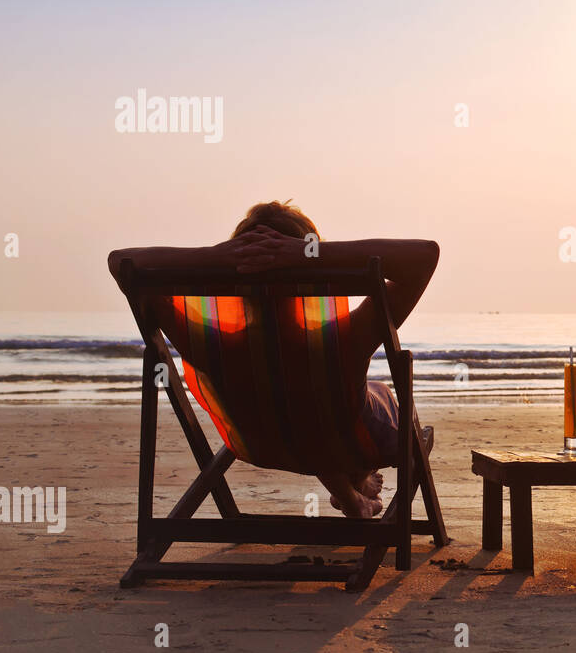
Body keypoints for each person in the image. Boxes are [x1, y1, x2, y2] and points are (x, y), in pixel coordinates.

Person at [107, 201, 439, 518]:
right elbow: (425, 255)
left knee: (305, 411)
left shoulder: (209, 344)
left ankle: (355, 494)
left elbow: (121, 261)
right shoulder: (345, 339)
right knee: (365, 397)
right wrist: (311, 253)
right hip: (349, 445)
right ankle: (358, 478)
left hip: (263, 447)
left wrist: (214, 257)